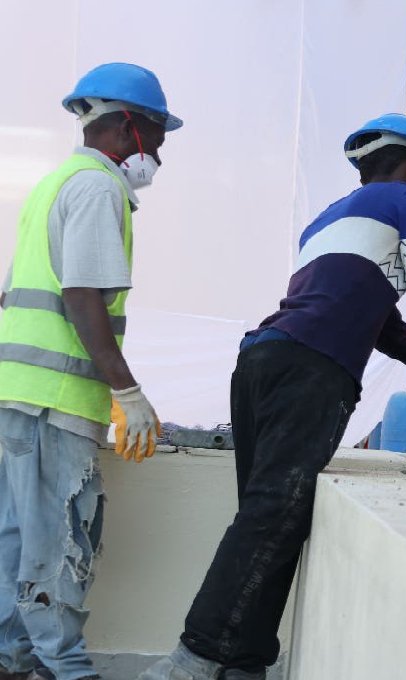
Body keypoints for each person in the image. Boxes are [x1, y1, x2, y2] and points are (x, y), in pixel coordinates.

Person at [140, 114, 406, 680]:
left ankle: (245, 662)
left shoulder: (324, 222)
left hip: (262, 360)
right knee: (273, 516)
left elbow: (388, 330)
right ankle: (191, 661)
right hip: (315, 369)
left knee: (273, 517)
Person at [0, 62, 180, 680]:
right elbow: (81, 297)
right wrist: (126, 392)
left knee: (15, 540)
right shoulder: (99, 187)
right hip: (54, 399)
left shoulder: (55, 183)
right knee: (58, 540)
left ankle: (13, 659)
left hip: (16, 394)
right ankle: (66, 670)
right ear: (130, 125)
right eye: (159, 135)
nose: (160, 151)